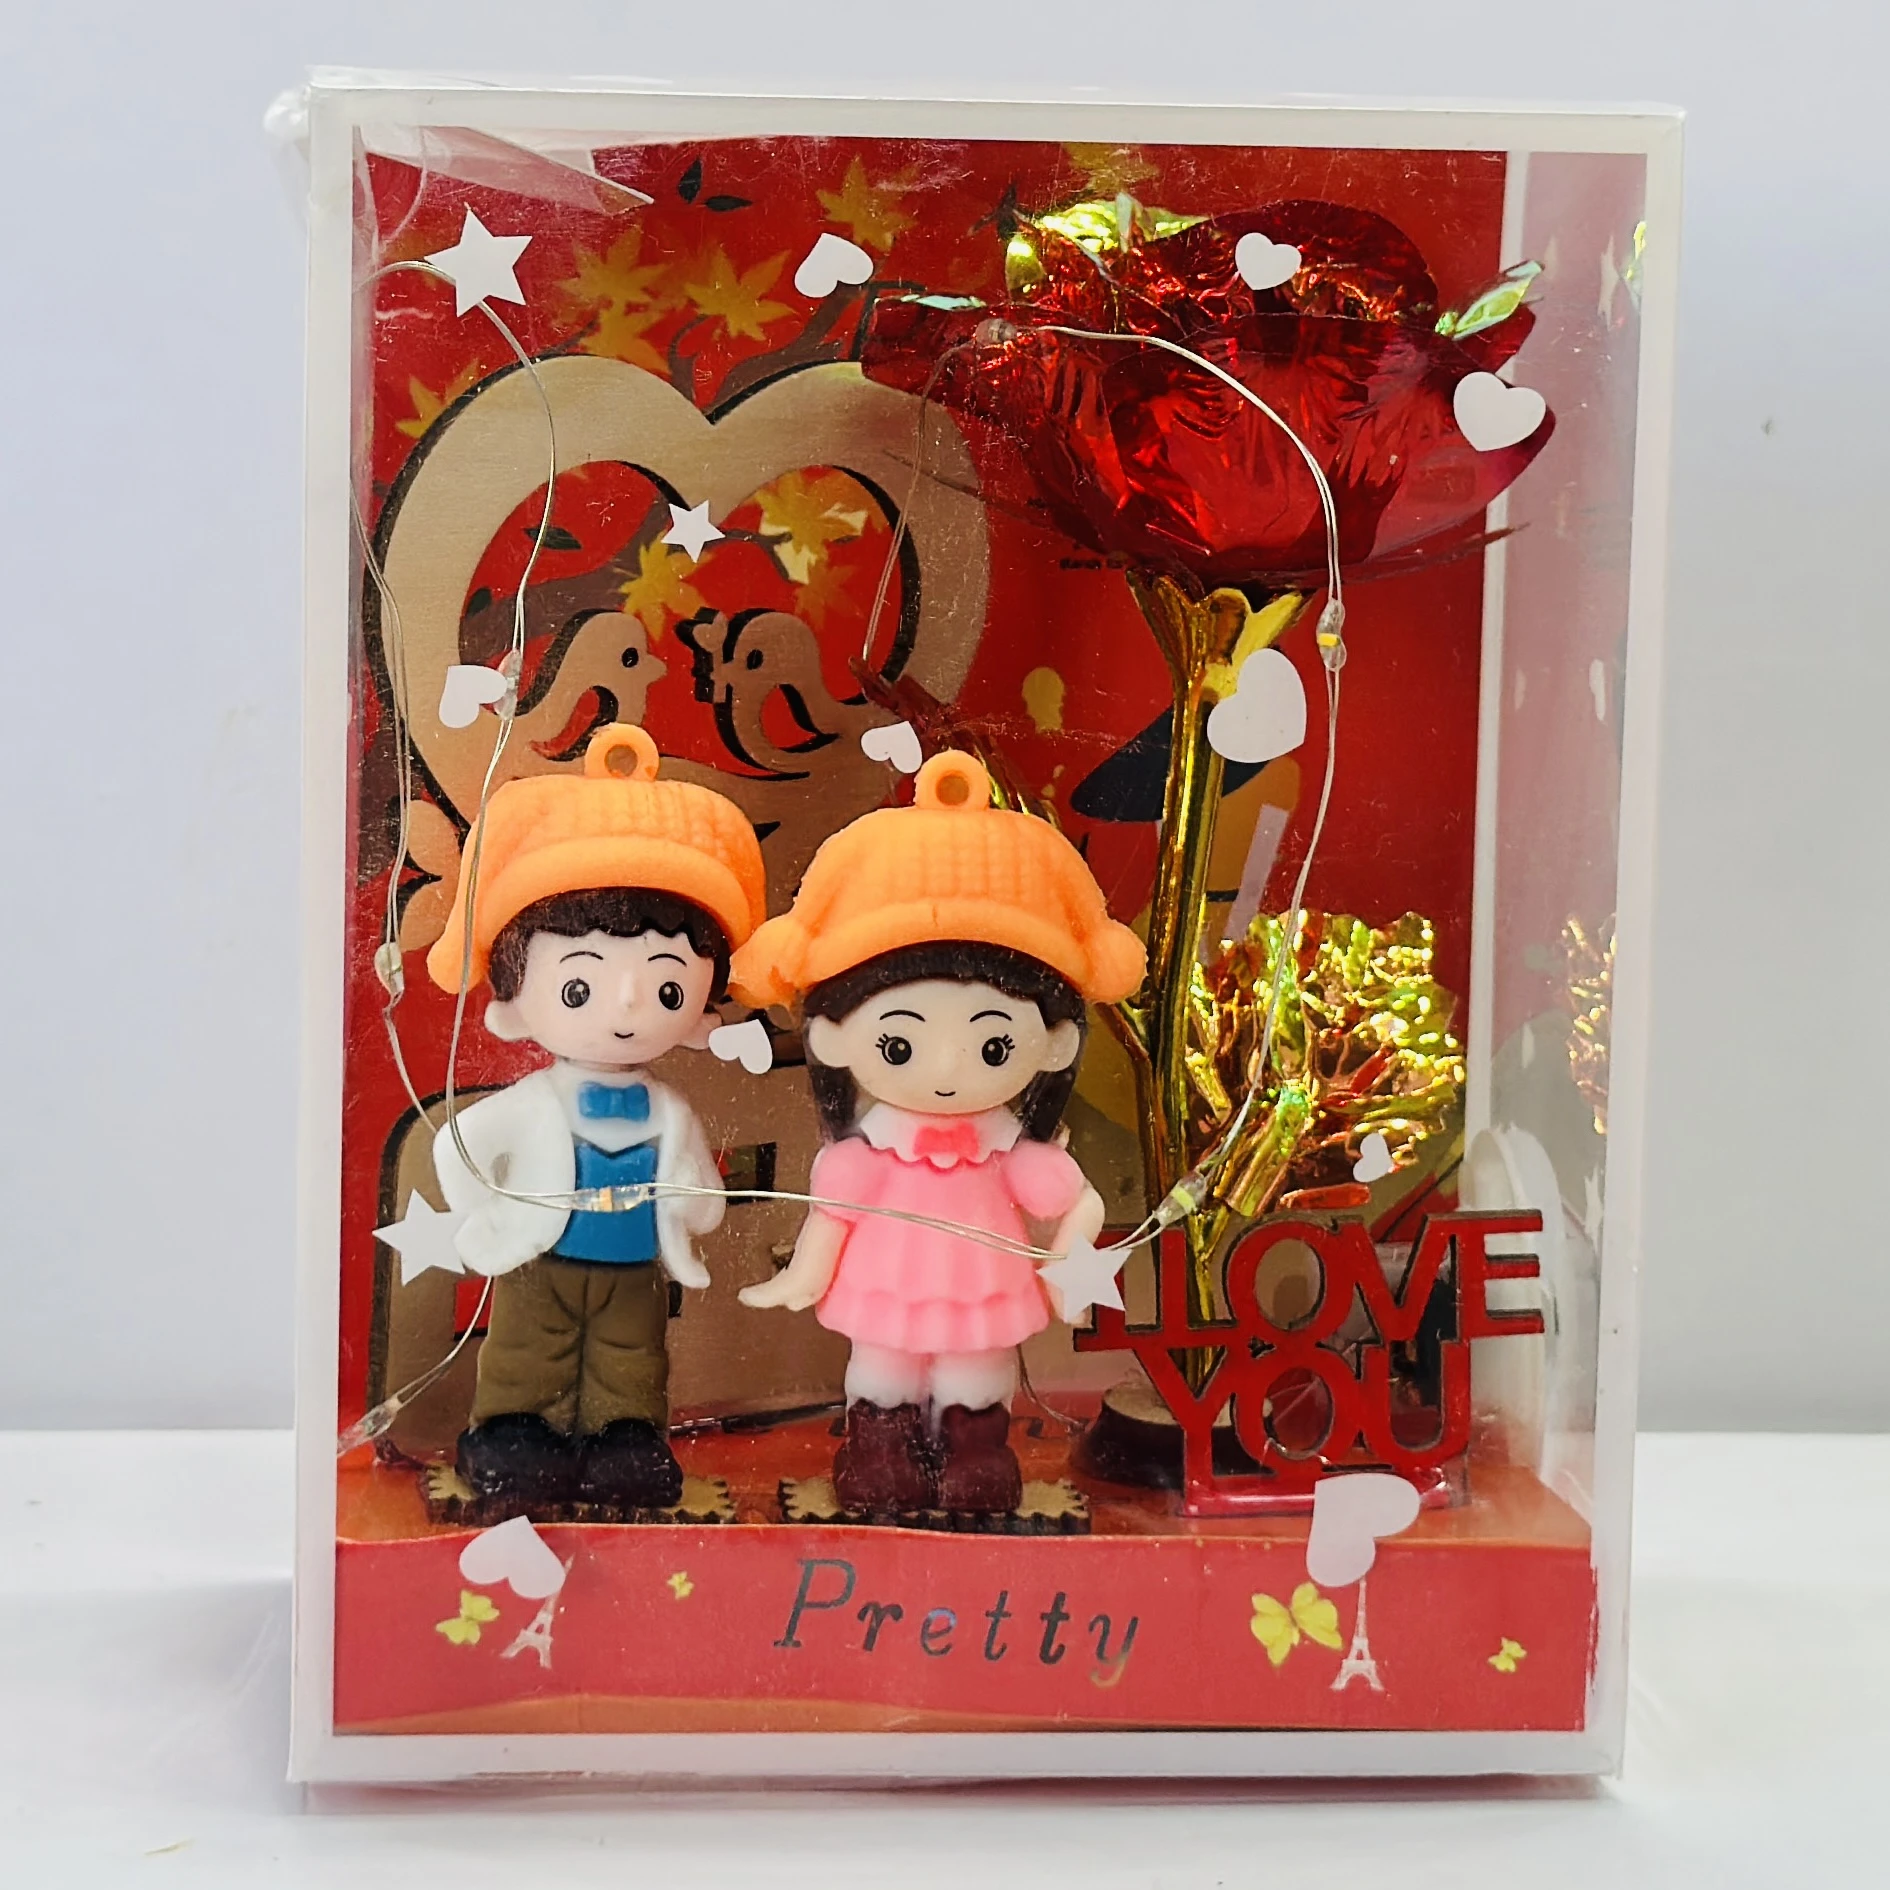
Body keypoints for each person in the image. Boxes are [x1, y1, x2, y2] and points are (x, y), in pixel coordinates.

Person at [733, 750, 1145, 1513]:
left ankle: (976, 1448)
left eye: (992, 1045)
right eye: (900, 1044)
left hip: (984, 1284)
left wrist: (1073, 1250)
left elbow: (1072, 1199)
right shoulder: (870, 1148)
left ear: (1054, 1044)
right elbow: (833, 1216)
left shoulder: (1008, 1148)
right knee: (883, 1363)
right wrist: (803, 1275)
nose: (950, 1068)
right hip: (885, 1282)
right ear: (833, 1036)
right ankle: (879, 1445)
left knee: (976, 1368)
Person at [421, 723, 765, 1510]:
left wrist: (691, 1204)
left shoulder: (669, 1111)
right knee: (525, 1350)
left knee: (632, 1358)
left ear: (701, 1010)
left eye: (667, 989)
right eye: (579, 988)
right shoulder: (533, 1103)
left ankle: (626, 1436)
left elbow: (702, 1194)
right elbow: (458, 1146)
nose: (626, 1009)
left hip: (634, 1270)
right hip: (540, 1261)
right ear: (516, 1002)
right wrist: (485, 1215)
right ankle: (516, 1431)